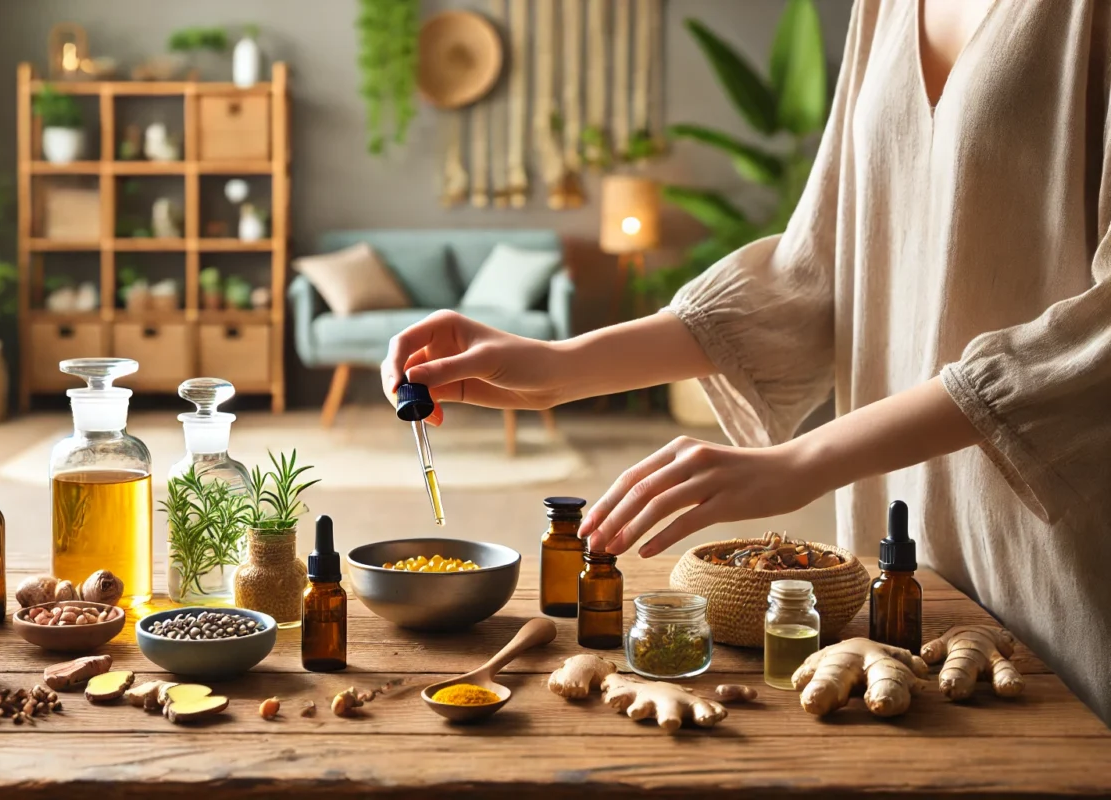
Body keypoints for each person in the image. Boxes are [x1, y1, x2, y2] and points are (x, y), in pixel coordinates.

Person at [380, 0, 1111, 723]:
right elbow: (819, 266)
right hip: (904, 559)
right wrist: (562, 368)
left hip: (1053, 559)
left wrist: (804, 461)